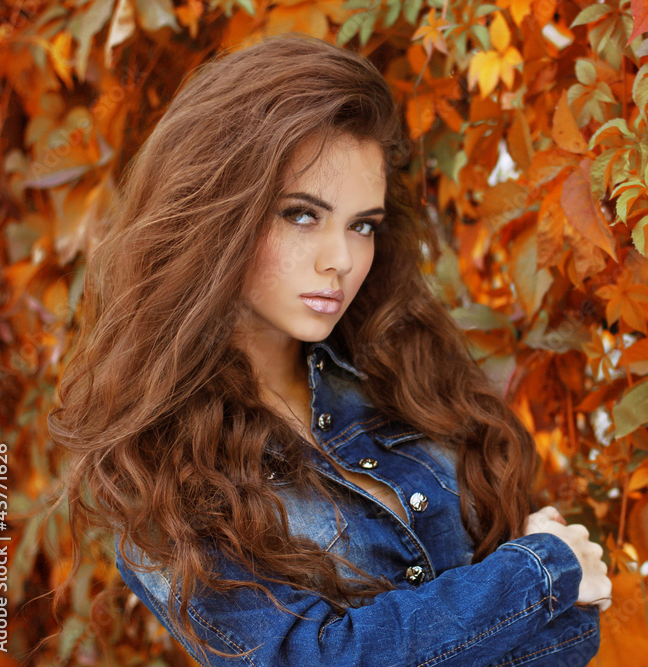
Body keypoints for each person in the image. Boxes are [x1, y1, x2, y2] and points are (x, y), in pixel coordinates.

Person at [48, 33, 611, 666]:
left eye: (362, 225)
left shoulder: (401, 373)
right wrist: (537, 576)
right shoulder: (159, 470)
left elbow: (574, 635)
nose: (341, 260)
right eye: (301, 215)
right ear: (217, 212)